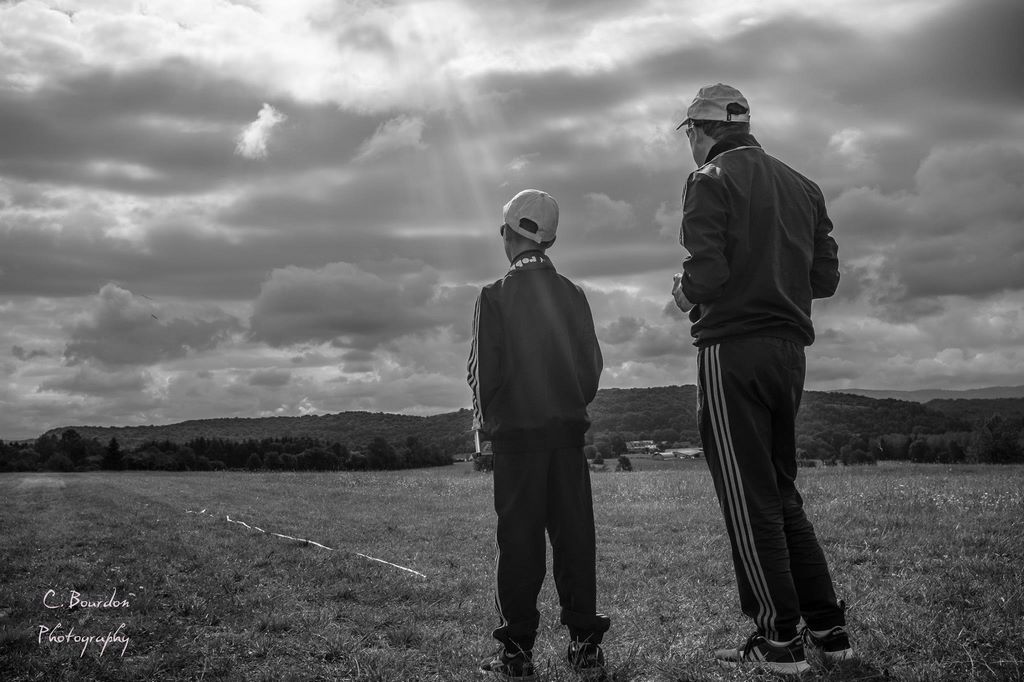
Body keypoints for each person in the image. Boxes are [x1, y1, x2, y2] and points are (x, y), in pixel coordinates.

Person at [671, 84, 853, 675]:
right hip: (789, 352)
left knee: (749, 503)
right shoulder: (804, 186)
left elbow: (707, 272)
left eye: (689, 134)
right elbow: (823, 279)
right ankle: (828, 629)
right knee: (779, 493)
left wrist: (683, 293)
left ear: (702, 130)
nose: (691, 146)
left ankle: (779, 641)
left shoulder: (709, 180)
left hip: (731, 350)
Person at [468, 189, 611, 680]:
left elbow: (483, 376)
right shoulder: (572, 294)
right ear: (549, 240)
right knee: (575, 541)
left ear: (508, 234)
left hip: (517, 444)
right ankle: (586, 645)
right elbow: (591, 367)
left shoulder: (494, 295)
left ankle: (516, 651)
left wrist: (489, 430)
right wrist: (568, 406)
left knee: (519, 544)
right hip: (568, 438)